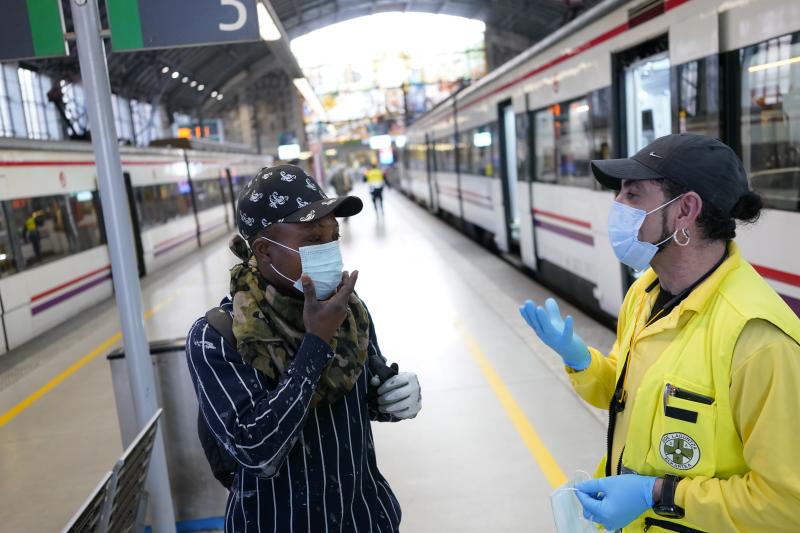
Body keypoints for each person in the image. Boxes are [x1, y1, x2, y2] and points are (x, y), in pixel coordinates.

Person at [519, 134, 800, 532]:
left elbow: (787, 505)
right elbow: (625, 394)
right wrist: (580, 360)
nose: (617, 207)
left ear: (686, 210)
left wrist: (655, 495)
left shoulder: (758, 339)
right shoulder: (646, 291)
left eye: (633, 195)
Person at [186, 164, 422, 532]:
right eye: (313, 240)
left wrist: (392, 398)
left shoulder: (348, 310)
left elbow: (362, 398)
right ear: (264, 250)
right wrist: (315, 343)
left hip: (363, 519)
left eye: (334, 236)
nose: (329, 250)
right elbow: (255, 448)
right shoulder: (217, 337)